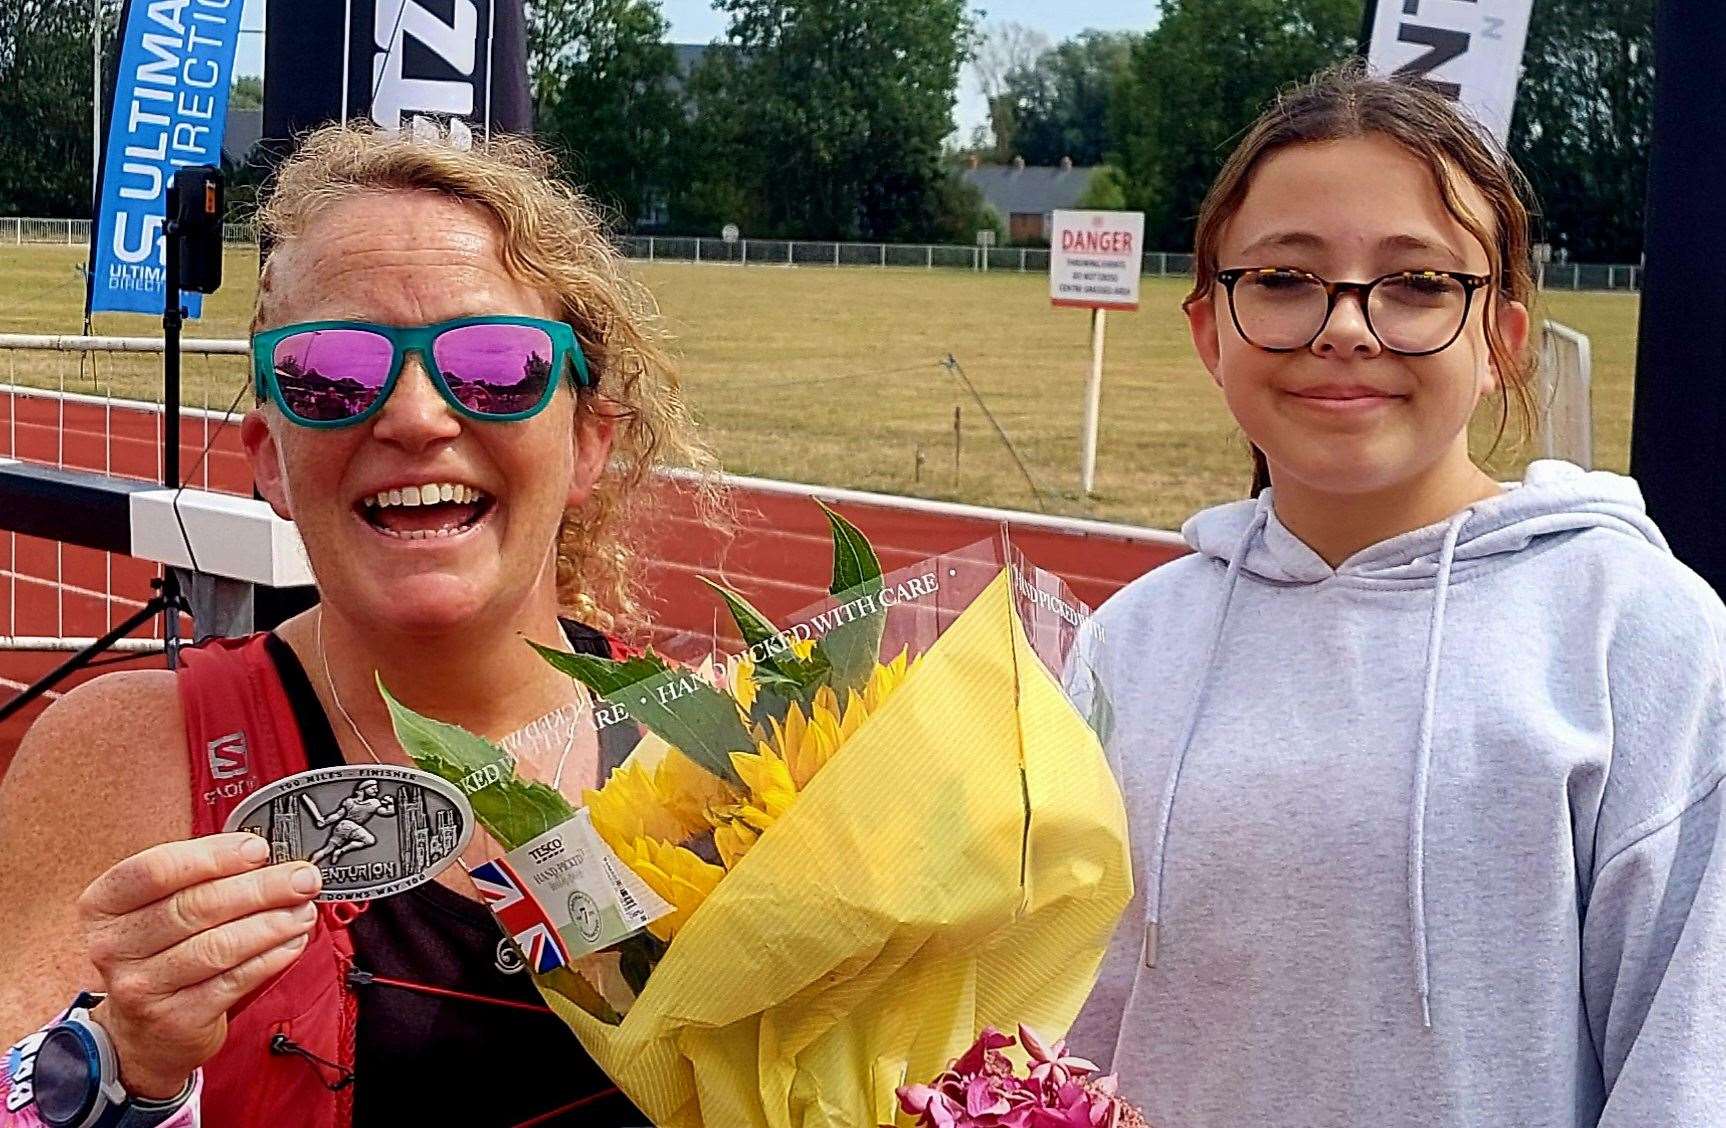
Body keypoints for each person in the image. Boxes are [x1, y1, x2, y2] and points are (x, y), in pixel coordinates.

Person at [0, 122, 720, 1126]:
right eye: (332, 373)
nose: (417, 416)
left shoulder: (734, 761)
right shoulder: (128, 757)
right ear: (266, 458)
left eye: (497, 363)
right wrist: (120, 1072)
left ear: (589, 441)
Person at [1065, 65, 1725, 1126]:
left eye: (1417, 284)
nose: (1344, 326)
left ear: (1501, 339)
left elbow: (1689, 1061)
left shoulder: (1634, 631)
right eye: (1283, 277)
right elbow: (1061, 1024)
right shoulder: (1125, 644)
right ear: (1208, 330)